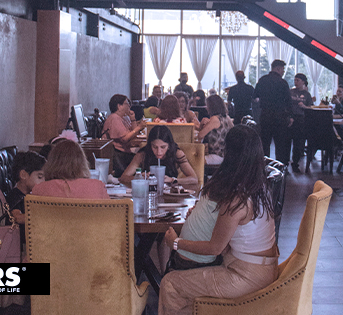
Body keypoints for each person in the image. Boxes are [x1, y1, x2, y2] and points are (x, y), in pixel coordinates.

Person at [158, 125, 278, 315]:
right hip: (261, 267)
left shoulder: (236, 198)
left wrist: (175, 243)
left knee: (170, 283)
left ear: (229, 154)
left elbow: (215, 248)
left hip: (246, 276)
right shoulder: (258, 186)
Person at [119, 125, 198, 186]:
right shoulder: (143, 154)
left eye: (163, 147)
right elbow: (123, 177)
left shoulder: (176, 153)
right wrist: (140, 177)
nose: (158, 152)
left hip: (171, 195)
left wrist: (172, 180)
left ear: (169, 146)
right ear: (150, 145)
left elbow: (194, 179)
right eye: (155, 147)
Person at [32, 140, 109, 199]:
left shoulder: (39, 190)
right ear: (83, 163)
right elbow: (109, 213)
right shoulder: (97, 187)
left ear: (51, 162)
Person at [253, 59, 293, 164]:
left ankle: (264, 166)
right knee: (280, 145)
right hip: (280, 117)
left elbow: (255, 96)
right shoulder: (283, 83)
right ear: (278, 69)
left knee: (265, 143)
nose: (283, 72)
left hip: (265, 115)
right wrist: (290, 116)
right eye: (282, 69)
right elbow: (288, 101)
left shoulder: (262, 80)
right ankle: (280, 167)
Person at [5, 151, 46, 245]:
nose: (43, 181)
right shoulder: (15, 195)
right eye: (40, 177)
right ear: (23, 175)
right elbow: (17, 217)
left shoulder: (30, 194)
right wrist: (44, 218)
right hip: (20, 244)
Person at [104, 94, 147, 176]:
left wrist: (133, 119)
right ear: (119, 106)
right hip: (119, 154)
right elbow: (125, 139)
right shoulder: (114, 118)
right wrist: (139, 127)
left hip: (125, 151)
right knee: (142, 157)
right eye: (127, 103)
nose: (129, 106)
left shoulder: (124, 117)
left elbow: (134, 134)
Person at [196, 94, 234, 164]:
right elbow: (233, 131)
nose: (206, 108)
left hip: (216, 155)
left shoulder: (214, 119)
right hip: (225, 155)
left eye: (207, 105)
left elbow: (200, 135)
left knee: (194, 161)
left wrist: (201, 125)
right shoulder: (227, 117)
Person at [289, 73, 313, 173]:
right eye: (295, 80)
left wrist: (304, 107)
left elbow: (311, 107)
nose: (296, 82)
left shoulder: (307, 95)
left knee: (298, 143)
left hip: (301, 120)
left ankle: (295, 163)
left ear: (303, 82)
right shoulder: (290, 92)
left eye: (298, 80)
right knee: (287, 142)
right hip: (290, 118)